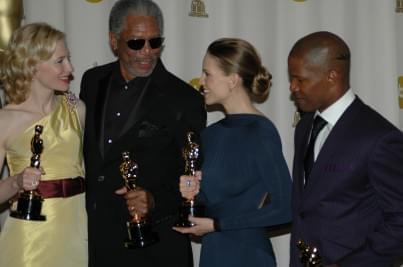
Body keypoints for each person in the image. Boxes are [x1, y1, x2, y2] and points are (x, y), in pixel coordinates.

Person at [79, 0, 206, 266]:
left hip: (157, 246)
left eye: (155, 41)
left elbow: (195, 177)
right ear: (114, 41)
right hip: (98, 240)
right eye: (136, 43)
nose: (147, 52)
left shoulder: (184, 99)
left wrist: (155, 200)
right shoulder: (91, 82)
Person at [173, 38, 293, 267]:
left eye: (208, 74)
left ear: (233, 80)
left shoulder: (261, 132)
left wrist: (217, 224)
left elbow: (285, 208)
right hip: (213, 255)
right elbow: (210, 207)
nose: (201, 81)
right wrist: (193, 193)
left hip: (248, 255)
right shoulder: (210, 135)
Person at [288, 31, 403, 267]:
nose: (293, 87)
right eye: (292, 78)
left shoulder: (379, 137)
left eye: (301, 80)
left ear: (332, 75)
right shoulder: (305, 127)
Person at [0, 23, 87, 267]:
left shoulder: (76, 109)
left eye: (68, 59)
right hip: (29, 240)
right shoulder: (5, 120)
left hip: (77, 233)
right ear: (32, 65)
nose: (70, 69)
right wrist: (17, 182)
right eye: (60, 61)